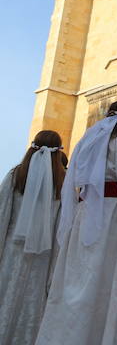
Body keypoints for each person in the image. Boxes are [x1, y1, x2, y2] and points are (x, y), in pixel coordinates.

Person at [35, 101, 117, 345]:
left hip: (85, 213)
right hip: (111, 216)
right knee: (105, 277)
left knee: (78, 277)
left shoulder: (90, 142)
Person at [0, 131, 66, 345]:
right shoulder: (63, 183)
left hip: (11, 252)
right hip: (42, 257)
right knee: (30, 311)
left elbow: (2, 215)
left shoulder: (15, 175)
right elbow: (61, 230)